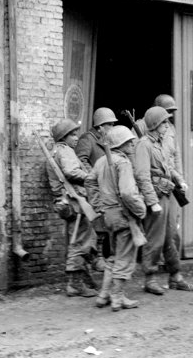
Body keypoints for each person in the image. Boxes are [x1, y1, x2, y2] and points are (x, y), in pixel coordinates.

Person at [135, 106, 193, 294]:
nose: (167, 125)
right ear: (154, 125)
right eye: (163, 122)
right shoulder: (144, 145)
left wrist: (180, 180)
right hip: (156, 197)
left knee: (171, 236)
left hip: (168, 194)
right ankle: (150, 278)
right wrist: (152, 202)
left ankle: (175, 276)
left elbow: (168, 167)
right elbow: (142, 176)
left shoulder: (160, 142)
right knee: (154, 239)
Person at [91, 125, 147, 311]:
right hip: (124, 216)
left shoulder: (100, 162)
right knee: (125, 257)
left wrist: (99, 205)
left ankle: (103, 294)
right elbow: (128, 193)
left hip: (109, 216)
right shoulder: (122, 163)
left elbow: (89, 182)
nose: (132, 145)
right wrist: (141, 209)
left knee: (113, 255)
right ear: (120, 145)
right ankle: (118, 297)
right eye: (129, 143)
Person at [47, 118, 99, 298]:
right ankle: (75, 284)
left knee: (80, 239)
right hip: (73, 201)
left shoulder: (56, 151)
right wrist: (91, 177)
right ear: (64, 137)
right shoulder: (65, 151)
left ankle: (83, 278)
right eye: (73, 134)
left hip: (66, 202)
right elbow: (71, 172)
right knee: (79, 242)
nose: (76, 138)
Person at [75, 107, 118, 272]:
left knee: (106, 223)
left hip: (105, 188)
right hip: (93, 188)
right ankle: (97, 258)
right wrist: (94, 175)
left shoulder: (107, 140)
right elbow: (81, 160)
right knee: (97, 225)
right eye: (109, 125)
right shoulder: (88, 139)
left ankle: (104, 256)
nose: (112, 128)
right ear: (100, 126)